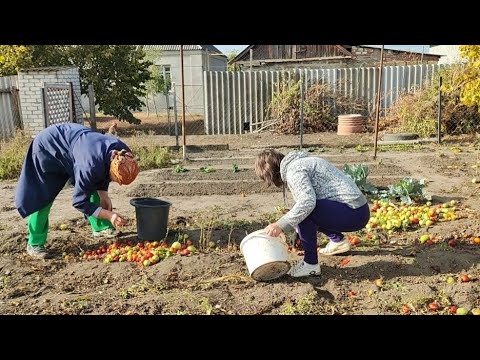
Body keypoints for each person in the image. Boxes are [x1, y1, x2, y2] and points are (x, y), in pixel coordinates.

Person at [14, 123, 140, 259]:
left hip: (76, 146)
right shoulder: (89, 166)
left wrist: (104, 195)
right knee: (43, 197)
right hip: (48, 148)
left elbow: (102, 172)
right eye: (114, 179)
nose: (115, 183)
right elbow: (79, 202)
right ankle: (35, 243)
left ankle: (100, 228)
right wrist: (110, 216)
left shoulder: (123, 153)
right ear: (111, 167)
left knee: (91, 182)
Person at [255, 149, 370, 278]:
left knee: (307, 213)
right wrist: (297, 230)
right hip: (357, 209)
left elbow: (307, 203)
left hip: (354, 213)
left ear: (271, 173)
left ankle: (310, 265)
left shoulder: (294, 171)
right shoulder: (299, 163)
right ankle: (338, 241)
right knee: (306, 212)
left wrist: (280, 225)